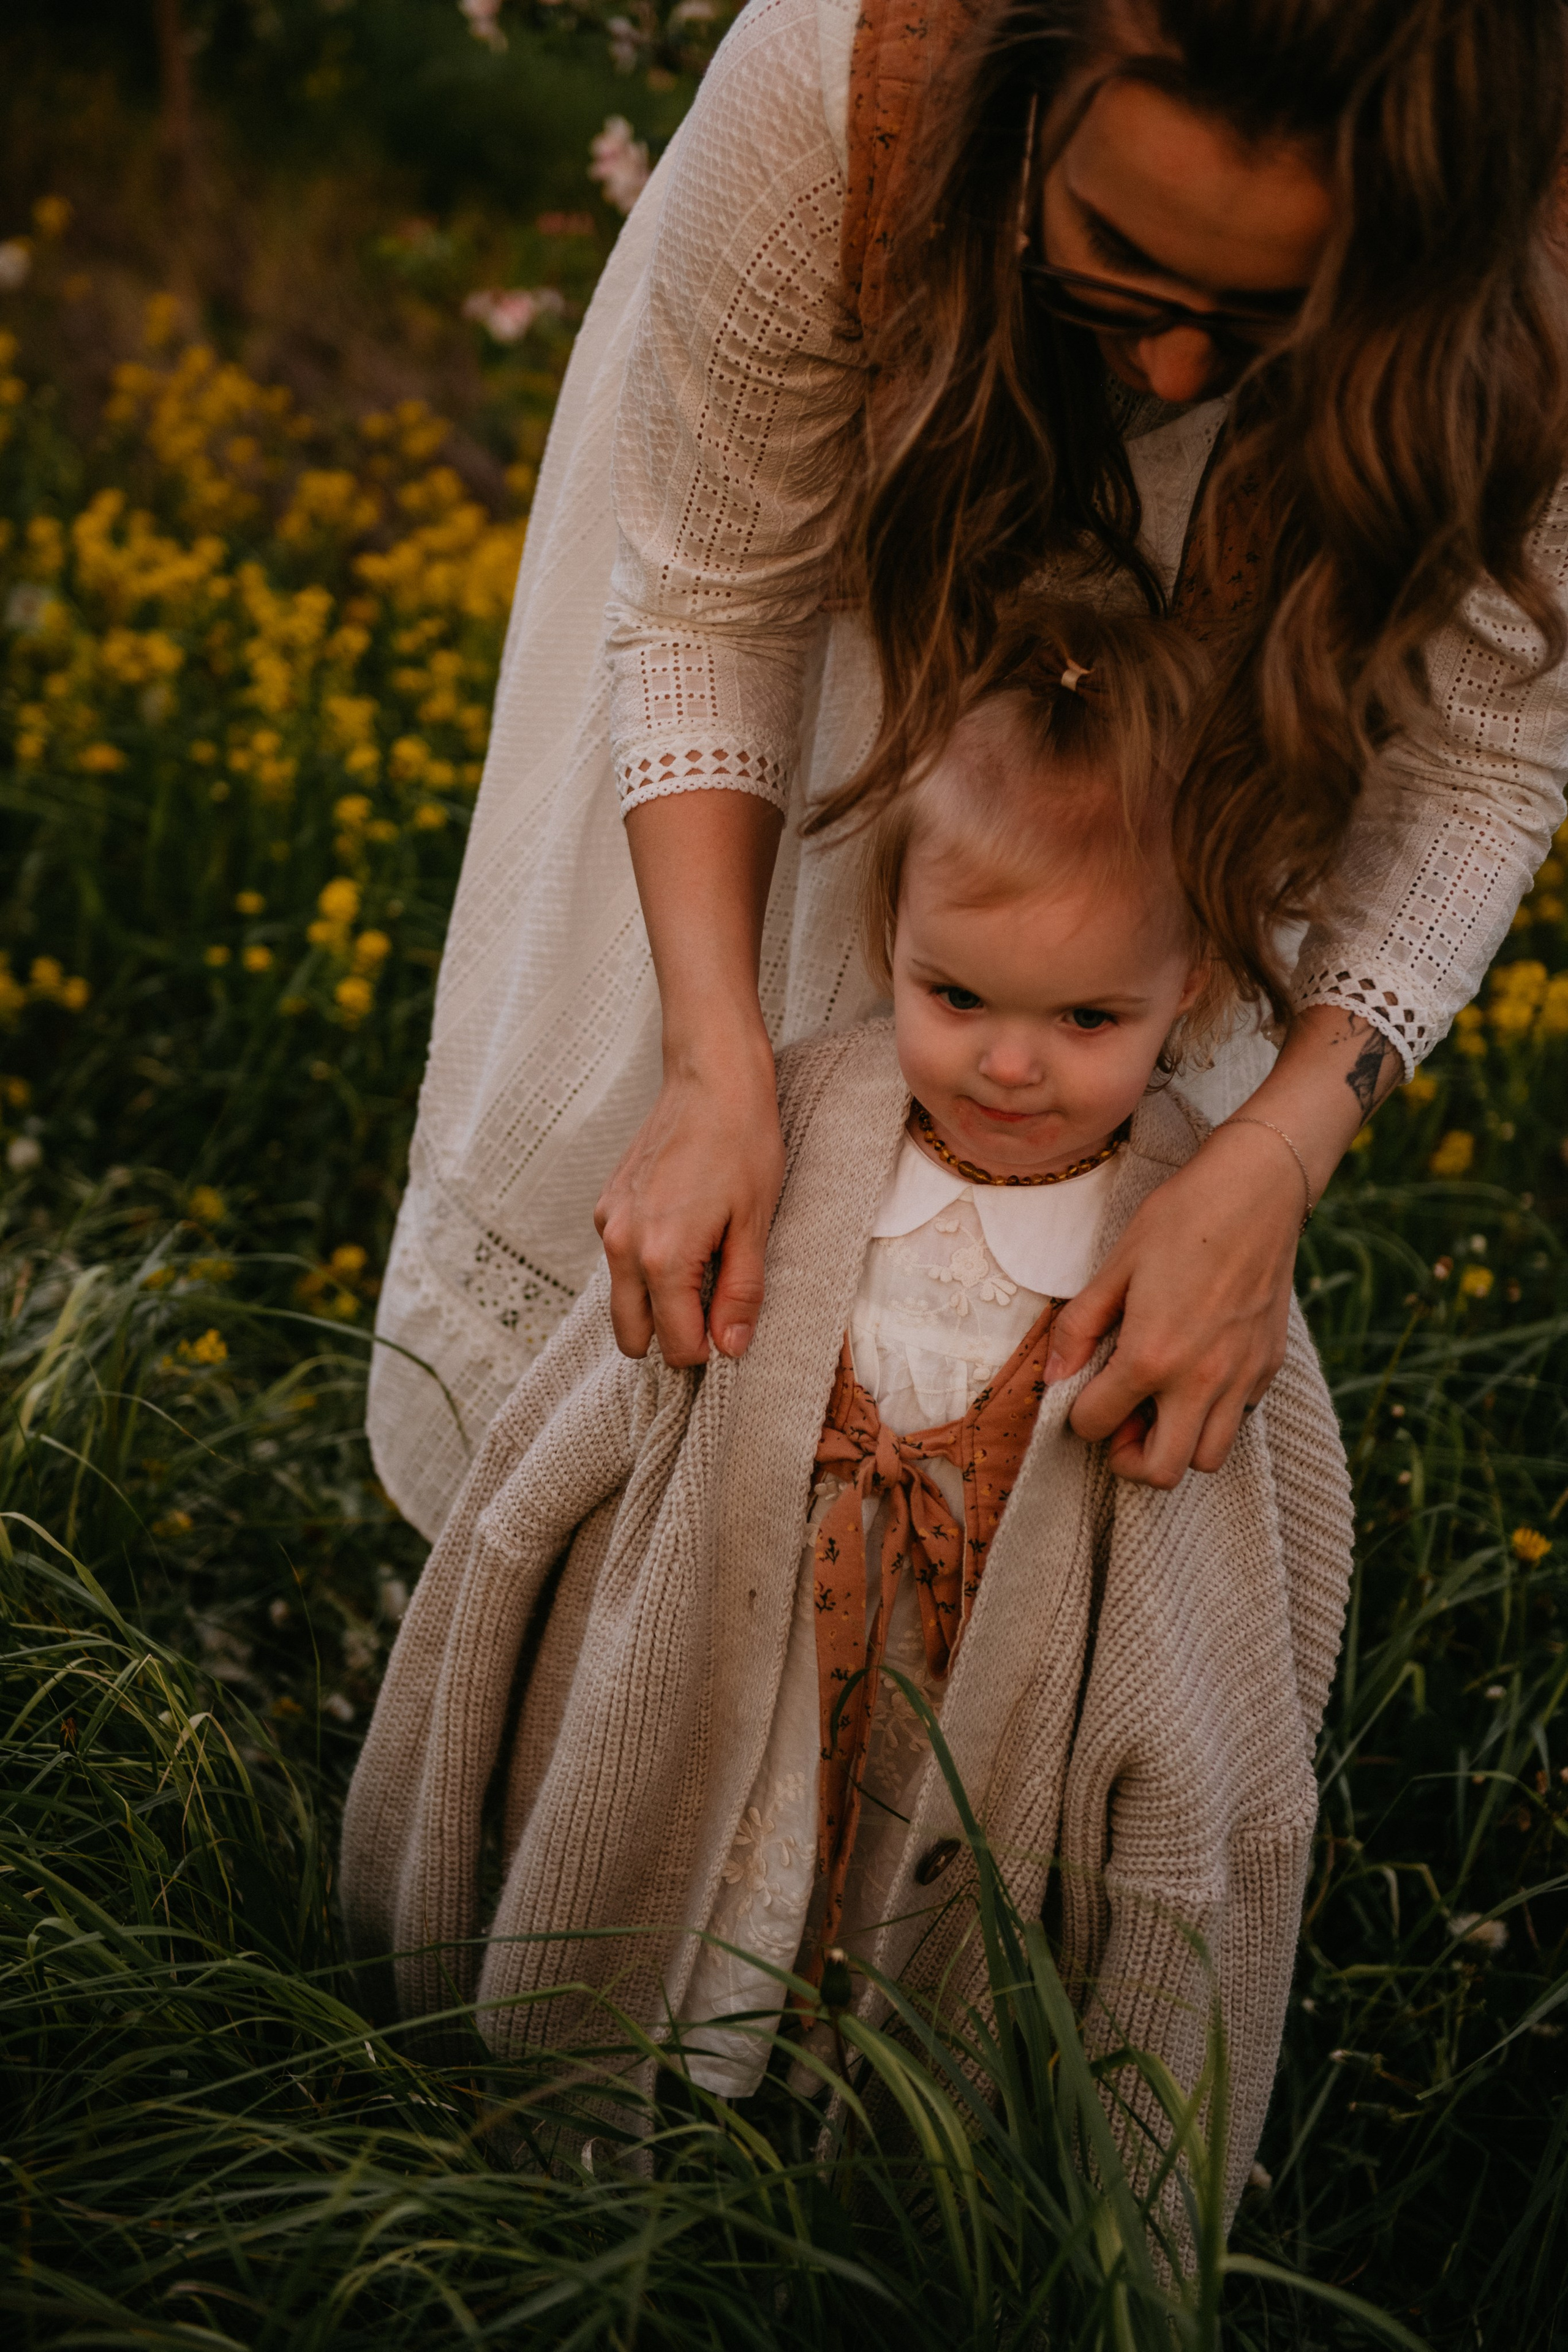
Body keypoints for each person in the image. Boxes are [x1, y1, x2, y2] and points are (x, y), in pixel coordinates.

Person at [367, 0, 1568, 1546]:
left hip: (1205, 684)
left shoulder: (1528, 255)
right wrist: (711, 1057)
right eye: (1116, 259)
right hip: (849, 531)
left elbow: (1479, 763)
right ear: (1024, 94)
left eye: (1268, 308)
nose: (1179, 364)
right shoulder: (840, 80)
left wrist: (1273, 1160)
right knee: (680, 1143)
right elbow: (710, 605)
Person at [342, 602, 1354, 2218]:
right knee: (708, 1894)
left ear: (1196, 992)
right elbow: (551, 1463)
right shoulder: (794, 1134)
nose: (1015, 1066)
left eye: (1090, 1022)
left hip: (974, 1711)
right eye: (957, 997)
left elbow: (1245, 1606)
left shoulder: (1190, 1250)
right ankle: (612, 2137)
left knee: (907, 1943)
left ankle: (857, 2196)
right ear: (887, 941)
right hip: (734, 1674)